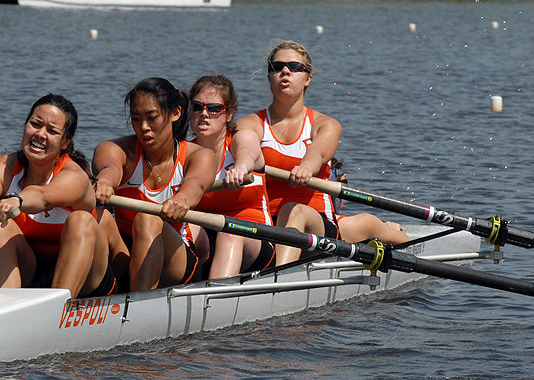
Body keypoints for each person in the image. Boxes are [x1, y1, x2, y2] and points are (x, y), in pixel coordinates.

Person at [238, 41, 407, 266]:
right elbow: (244, 148)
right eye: (277, 66)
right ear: (270, 76)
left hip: (317, 223)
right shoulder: (250, 123)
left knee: (296, 211)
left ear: (308, 78)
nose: (285, 71)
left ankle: (276, 277)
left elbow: (318, 153)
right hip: (267, 221)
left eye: (294, 67)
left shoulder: (325, 124)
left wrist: (306, 168)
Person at [0, 94, 115, 300]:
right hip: (33, 270)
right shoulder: (1, 168)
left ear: (65, 142)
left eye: (52, 131)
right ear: (25, 125)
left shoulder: (75, 176)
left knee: (81, 220)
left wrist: (16, 200)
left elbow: (43, 196)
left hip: (88, 278)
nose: (40, 135)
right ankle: (6, 306)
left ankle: (56, 310)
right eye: (35, 124)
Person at [93, 78, 217, 291]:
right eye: (135, 119)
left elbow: (195, 184)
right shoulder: (117, 149)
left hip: (175, 258)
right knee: (90, 216)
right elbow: (110, 168)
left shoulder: (200, 155)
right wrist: (104, 182)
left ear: (175, 114)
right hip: (125, 249)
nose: (143, 128)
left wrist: (182, 199)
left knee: (147, 220)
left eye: (152, 118)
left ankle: (138, 309)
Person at [187, 74, 275, 279]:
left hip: (255, 239)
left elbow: (247, 152)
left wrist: (241, 169)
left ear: (229, 114)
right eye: (198, 106)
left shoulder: (241, 138)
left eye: (215, 108)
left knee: (231, 232)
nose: (204, 113)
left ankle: (216, 298)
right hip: (207, 241)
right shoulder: (184, 152)